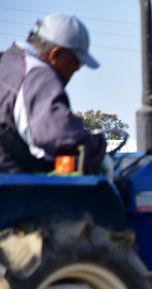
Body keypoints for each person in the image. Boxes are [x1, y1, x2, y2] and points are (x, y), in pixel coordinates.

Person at [0, 13, 106, 174]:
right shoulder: (37, 76)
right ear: (55, 54)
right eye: (76, 63)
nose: (75, 70)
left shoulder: (7, 61)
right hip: (14, 188)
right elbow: (60, 135)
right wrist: (97, 147)